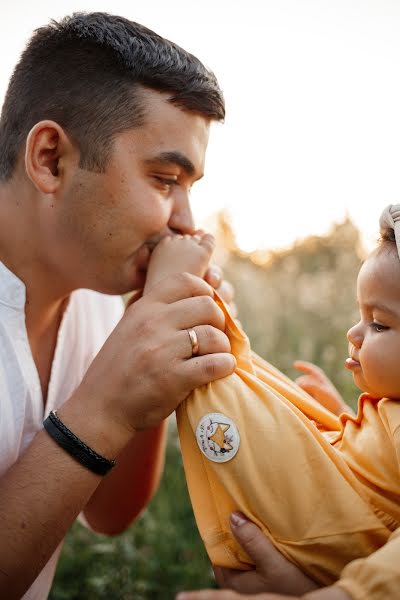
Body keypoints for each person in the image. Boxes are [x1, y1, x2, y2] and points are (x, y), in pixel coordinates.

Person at [0, 12, 239, 599]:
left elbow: (109, 513)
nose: (186, 222)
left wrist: (153, 360)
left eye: (190, 189)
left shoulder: (99, 295)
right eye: (164, 179)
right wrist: (103, 408)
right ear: (51, 158)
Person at [141, 206, 400, 600]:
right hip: (336, 521)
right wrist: (342, 418)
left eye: (379, 324)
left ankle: (176, 300)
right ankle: (199, 311)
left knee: (217, 381)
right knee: (250, 378)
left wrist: (348, 594)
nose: (355, 331)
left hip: (334, 541)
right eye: (361, 316)